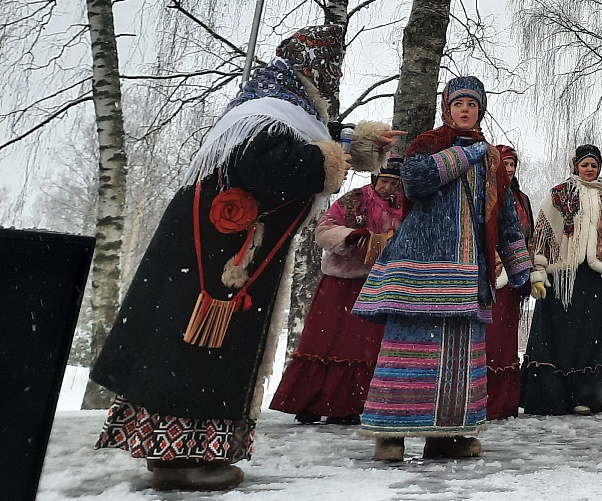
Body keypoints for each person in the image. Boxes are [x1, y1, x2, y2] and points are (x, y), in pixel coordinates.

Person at [91, 25, 399, 491]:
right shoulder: (268, 114)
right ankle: (186, 457)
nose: (329, 86)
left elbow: (304, 140)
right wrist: (327, 162)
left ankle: (171, 451)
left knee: (183, 345)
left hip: (215, 253)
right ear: (310, 72)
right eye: (328, 74)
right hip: (218, 262)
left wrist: (359, 143)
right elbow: (268, 164)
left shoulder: (272, 106)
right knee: (199, 349)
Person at [354, 76, 533, 462]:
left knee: (458, 353)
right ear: (447, 109)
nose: (464, 110)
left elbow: (505, 217)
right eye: (458, 104)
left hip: (469, 269)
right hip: (420, 264)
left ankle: (449, 434)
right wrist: (462, 155)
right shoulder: (430, 142)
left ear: (480, 110)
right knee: (407, 350)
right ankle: (391, 434)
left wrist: (521, 268)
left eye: (472, 104)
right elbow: (414, 182)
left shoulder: (492, 161)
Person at [271, 155, 408, 425]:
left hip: (376, 283)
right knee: (324, 340)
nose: (388, 188)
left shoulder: (403, 208)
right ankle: (310, 403)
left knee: (361, 346)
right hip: (340, 282)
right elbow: (323, 229)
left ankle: (348, 405)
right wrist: (350, 236)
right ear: (374, 179)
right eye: (384, 181)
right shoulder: (354, 200)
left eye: (394, 183)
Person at [520, 143, 602, 415]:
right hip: (562, 275)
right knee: (556, 334)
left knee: (589, 335)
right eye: (585, 164)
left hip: (594, 274)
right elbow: (542, 232)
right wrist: (538, 269)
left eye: (594, 165)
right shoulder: (559, 194)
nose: (589, 169)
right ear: (575, 165)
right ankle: (549, 397)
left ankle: (585, 397)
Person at [485, 146, 532, 420]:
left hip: (514, 278)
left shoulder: (522, 199)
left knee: (506, 343)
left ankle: (504, 403)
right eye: (506, 164)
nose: (510, 169)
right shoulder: (486, 195)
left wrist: (527, 269)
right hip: (489, 278)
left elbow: (528, 235)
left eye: (513, 164)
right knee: (487, 342)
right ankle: (483, 401)